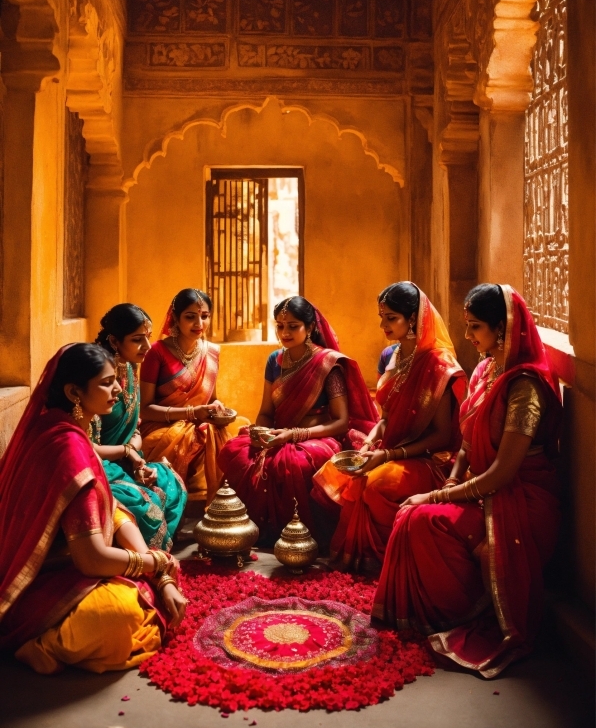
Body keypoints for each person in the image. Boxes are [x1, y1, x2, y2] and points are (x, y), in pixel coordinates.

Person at [373, 284, 563, 678]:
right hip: (482, 487)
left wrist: (438, 494)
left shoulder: (524, 387)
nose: (467, 336)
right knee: (411, 517)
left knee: (423, 517)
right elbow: (464, 444)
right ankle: (433, 614)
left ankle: (463, 610)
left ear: (504, 328)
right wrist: (449, 486)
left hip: (520, 498)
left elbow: (504, 471)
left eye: (475, 327)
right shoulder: (484, 369)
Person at [0, 344, 186, 674]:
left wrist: (157, 570)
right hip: (38, 581)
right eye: (106, 382)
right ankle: (46, 644)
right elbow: (92, 559)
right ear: (74, 392)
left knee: (155, 582)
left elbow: (110, 508)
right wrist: (155, 564)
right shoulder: (66, 446)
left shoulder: (63, 430)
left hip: (65, 560)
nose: (118, 389)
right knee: (122, 613)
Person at [313, 282, 467, 571]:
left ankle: (393, 560)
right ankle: (361, 557)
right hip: (389, 449)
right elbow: (385, 418)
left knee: (374, 484)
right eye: (381, 316)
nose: (382, 324)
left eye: (391, 318)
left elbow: (442, 435)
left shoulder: (438, 365)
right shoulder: (391, 357)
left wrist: (389, 455)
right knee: (335, 471)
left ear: (413, 319)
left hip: (427, 459)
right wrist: (370, 445)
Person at [217, 296, 378, 543]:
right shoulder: (275, 361)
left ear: (310, 327)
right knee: (235, 452)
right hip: (279, 435)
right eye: (280, 326)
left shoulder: (328, 363)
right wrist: (260, 432)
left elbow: (341, 422)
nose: (285, 332)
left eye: (293, 326)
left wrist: (294, 435)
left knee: (294, 463)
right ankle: (253, 530)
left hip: (319, 437)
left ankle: (301, 535)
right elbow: (267, 412)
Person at [92, 304, 187, 550]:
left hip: (126, 460)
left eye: (148, 337)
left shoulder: (131, 369)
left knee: (170, 481)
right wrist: (127, 453)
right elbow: (85, 446)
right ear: (114, 340)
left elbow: (135, 426)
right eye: (137, 339)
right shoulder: (96, 379)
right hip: (99, 465)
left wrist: (137, 458)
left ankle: (150, 551)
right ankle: (144, 557)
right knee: (143, 501)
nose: (147, 346)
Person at [140, 288, 243, 511]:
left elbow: (211, 399)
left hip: (198, 424)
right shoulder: (156, 352)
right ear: (175, 318)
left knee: (232, 444)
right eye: (190, 316)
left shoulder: (211, 352)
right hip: (161, 428)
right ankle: (174, 509)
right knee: (192, 440)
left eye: (204, 316)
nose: (199, 323)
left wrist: (216, 407)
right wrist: (190, 413)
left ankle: (217, 511)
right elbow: (145, 409)